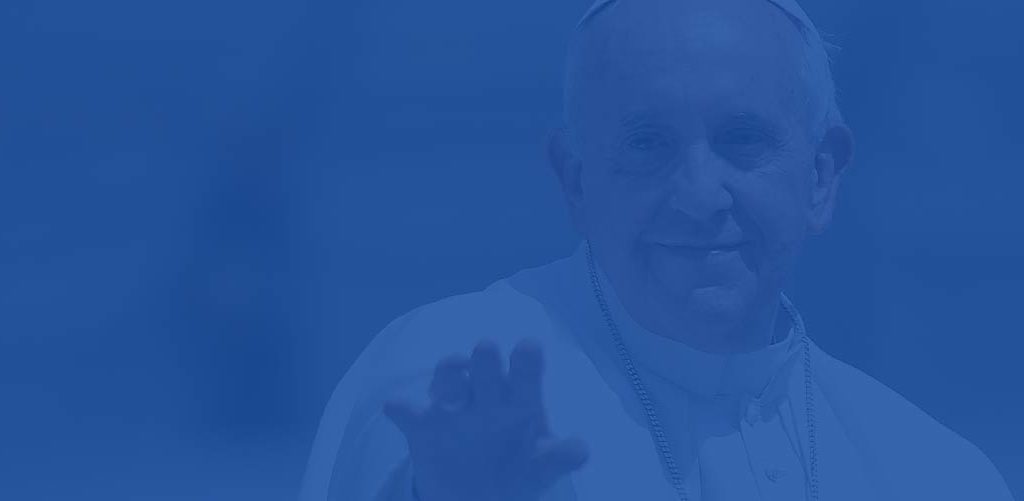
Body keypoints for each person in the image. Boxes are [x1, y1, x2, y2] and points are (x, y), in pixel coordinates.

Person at [300, 0, 1015, 499]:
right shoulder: (451, 380)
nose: (699, 195)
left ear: (822, 176)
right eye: (648, 144)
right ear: (575, 181)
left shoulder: (934, 474)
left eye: (742, 140)